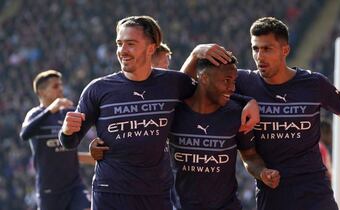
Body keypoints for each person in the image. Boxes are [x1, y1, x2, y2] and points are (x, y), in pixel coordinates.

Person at [181, 17, 340, 210]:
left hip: (314, 190)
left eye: (267, 49)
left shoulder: (313, 84)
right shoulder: (240, 83)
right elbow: (184, 91)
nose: (259, 56)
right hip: (272, 192)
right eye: (255, 49)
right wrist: (195, 54)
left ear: (285, 50)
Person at [59, 16, 259, 210]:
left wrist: (247, 101)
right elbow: (70, 141)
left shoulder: (171, 84)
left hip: (156, 195)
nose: (122, 51)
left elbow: (208, 92)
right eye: (119, 44)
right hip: (110, 194)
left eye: (130, 44)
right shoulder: (98, 89)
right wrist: (67, 131)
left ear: (151, 48)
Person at [90, 56, 279, 210]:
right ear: (204, 78)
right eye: (226, 81)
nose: (232, 87)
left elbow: (250, 155)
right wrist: (102, 147)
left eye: (234, 81)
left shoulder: (237, 113)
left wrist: (262, 172)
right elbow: (139, 135)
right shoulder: (173, 112)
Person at [20, 70, 91, 210]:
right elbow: (24, 134)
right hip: (49, 190)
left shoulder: (67, 113)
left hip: (74, 186)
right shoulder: (35, 114)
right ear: (41, 91)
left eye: (61, 85)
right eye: (55, 86)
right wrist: (50, 110)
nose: (61, 89)